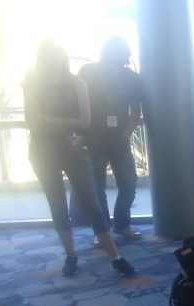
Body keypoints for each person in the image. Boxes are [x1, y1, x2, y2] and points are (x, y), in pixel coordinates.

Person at [23, 40, 135, 277]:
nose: (54, 64)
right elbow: (33, 122)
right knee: (57, 205)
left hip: (72, 147)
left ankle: (115, 256)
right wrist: (55, 122)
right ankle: (71, 255)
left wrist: (48, 120)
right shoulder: (32, 84)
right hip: (43, 151)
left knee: (92, 201)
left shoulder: (77, 83)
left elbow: (84, 121)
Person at [78, 36, 144, 246]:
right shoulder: (87, 72)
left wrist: (126, 134)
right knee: (96, 187)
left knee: (129, 182)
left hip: (119, 139)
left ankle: (122, 224)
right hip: (92, 138)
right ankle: (102, 230)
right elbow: (77, 103)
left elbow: (135, 110)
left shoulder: (131, 77)